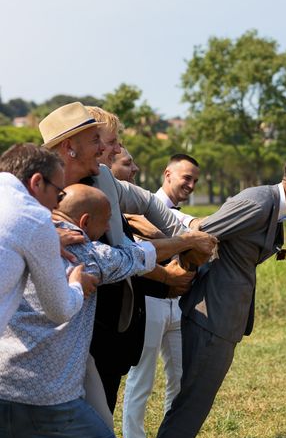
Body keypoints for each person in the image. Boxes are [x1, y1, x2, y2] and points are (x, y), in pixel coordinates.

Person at [149, 150, 286, 438]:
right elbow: (200, 236)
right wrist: (181, 278)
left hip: (224, 318)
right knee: (192, 403)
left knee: (195, 402)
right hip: (212, 315)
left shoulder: (274, 207)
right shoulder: (258, 202)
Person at [39, 102, 214, 412]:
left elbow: (146, 202)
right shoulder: (35, 197)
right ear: (70, 147)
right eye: (101, 141)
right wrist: (174, 260)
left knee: (95, 407)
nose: (114, 150)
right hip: (56, 332)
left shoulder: (104, 178)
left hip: (108, 321)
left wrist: (188, 226)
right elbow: (114, 258)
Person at [0, 184, 157, 438]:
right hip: (53, 396)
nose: (109, 227)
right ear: (84, 222)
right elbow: (137, 256)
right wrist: (186, 241)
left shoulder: (13, 243)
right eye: (106, 221)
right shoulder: (89, 254)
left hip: (3, 385)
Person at [122, 154, 200, 438]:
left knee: (180, 380)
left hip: (178, 305)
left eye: (195, 180)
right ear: (168, 173)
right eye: (186, 178)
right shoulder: (139, 206)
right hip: (149, 302)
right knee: (141, 380)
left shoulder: (181, 215)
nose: (191, 185)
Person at [0, 144, 95, 334]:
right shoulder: (34, 218)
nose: (56, 205)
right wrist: (77, 285)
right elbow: (60, 309)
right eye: (58, 194)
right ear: (37, 182)